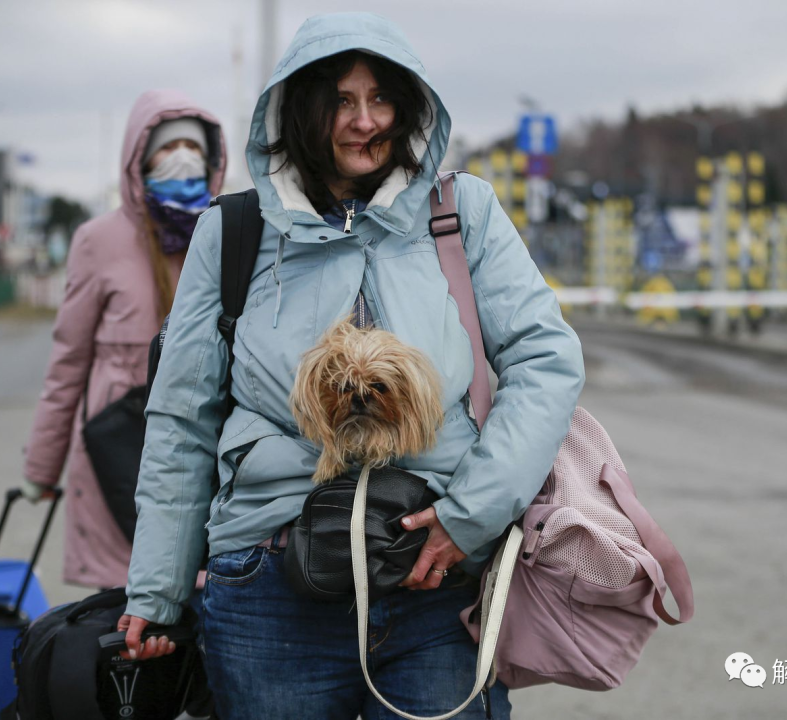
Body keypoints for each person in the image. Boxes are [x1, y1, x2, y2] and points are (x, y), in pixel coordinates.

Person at [121, 13, 584, 719]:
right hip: (268, 593)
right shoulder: (233, 231)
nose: (365, 121)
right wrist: (157, 592)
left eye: (381, 98)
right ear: (299, 110)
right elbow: (183, 418)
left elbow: (545, 363)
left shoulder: (462, 213)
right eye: (340, 99)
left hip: (435, 577)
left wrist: (469, 516)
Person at [21, 90, 226, 590]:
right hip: (118, 451)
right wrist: (42, 468)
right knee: (123, 617)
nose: (183, 159)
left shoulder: (225, 229)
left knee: (204, 611)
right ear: (138, 157)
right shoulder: (98, 240)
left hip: (203, 443)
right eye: (167, 147)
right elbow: (68, 363)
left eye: (194, 148)